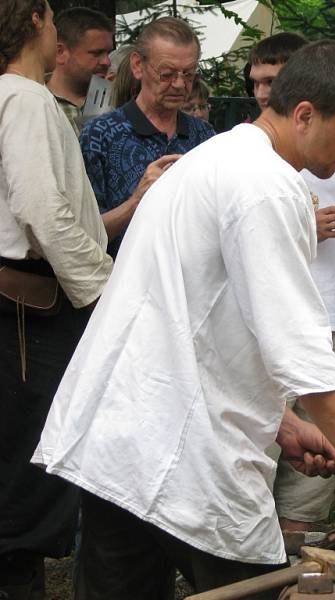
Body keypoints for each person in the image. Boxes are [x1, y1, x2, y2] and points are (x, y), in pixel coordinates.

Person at [34, 39, 335, 599]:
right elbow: (294, 340)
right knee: (251, 589)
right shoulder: (265, 186)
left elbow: (195, 323)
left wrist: (286, 423)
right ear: (303, 115)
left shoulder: (210, 160)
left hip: (120, 444)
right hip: (181, 454)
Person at [247, 32, 335, 534]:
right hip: (274, 333)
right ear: (304, 112)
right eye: (260, 81)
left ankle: (296, 559)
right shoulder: (258, 174)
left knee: (309, 473)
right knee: (256, 458)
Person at [0, 1, 113, 597]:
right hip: (28, 309)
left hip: (26, 304)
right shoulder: (21, 97)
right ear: (36, 20)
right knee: (25, 475)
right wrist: (105, 293)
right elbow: (43, 211)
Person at [79, 16, 215, 257]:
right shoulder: (99, 135)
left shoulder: (204, 136)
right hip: (123, 284)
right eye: (167, 74)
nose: (180, 84)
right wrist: (137, 200)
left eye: (189, 74)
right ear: (137, 66)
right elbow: (84, 236)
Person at [46, 6, 113, 127]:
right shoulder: (37, 101)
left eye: (108, 53)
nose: (107, 62)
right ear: (60, 52)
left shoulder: (116, 102)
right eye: (96, 53)